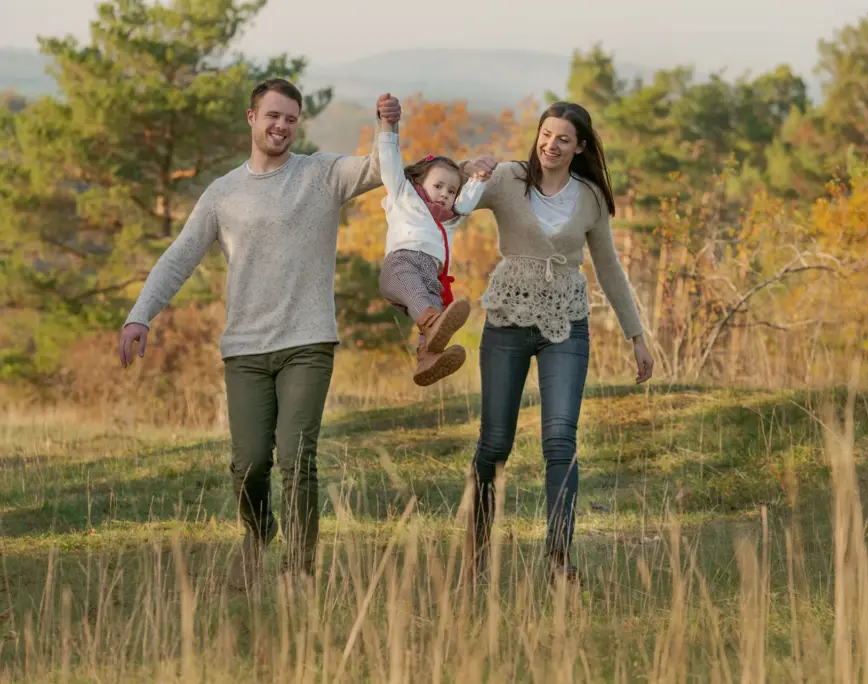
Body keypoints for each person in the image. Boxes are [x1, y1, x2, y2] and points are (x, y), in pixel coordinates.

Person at [117, 78, 402, 589]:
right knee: (248, 465)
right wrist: (141, 314)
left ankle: (299, 571)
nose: (282, 126)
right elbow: (180, 256)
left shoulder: (320, 174)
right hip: (246, 349)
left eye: (291, 119)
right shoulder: (223, 193)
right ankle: (259, 529)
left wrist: (386, 128)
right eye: (273, 116)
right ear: (252, 118)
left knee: (296, 458)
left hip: (308, 342)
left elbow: (381, 170)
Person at [460, 101, 655, 582]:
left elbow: (609, 267)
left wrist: (637, 335)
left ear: (579, 147)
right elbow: (452, 204)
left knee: (560, 438)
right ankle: (477, 551)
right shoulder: (507, 178)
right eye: (546, 134)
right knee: (495, 444)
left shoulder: (589, 197)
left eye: (563, 139)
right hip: (507, 319)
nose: (551, 144)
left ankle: (558, 558)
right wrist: (468, 168)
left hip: (566, 323)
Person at [375, 116, 491, 386]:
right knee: (424, 305)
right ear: (419, 181)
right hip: (401, 263)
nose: (444, 194)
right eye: (438, 186)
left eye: (451, 191)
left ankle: (427, 359)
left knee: (431, 306)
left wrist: (479, 179)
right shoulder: (404, 194)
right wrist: (387, 128)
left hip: (432, 274)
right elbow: (390, 162)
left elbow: (467, 201)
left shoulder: (449, 217)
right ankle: (431, 323)